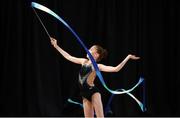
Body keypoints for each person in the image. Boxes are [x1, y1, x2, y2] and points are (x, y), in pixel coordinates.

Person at [50, 37, 140, 117]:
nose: (88, 49)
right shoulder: (83, 61)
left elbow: (116, 69)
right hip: (84, 94)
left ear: (96, 55)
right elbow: (68, 56)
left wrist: (128, 57)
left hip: (93, 93)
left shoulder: (97, 66)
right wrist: (56, 46)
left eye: (91, 49)